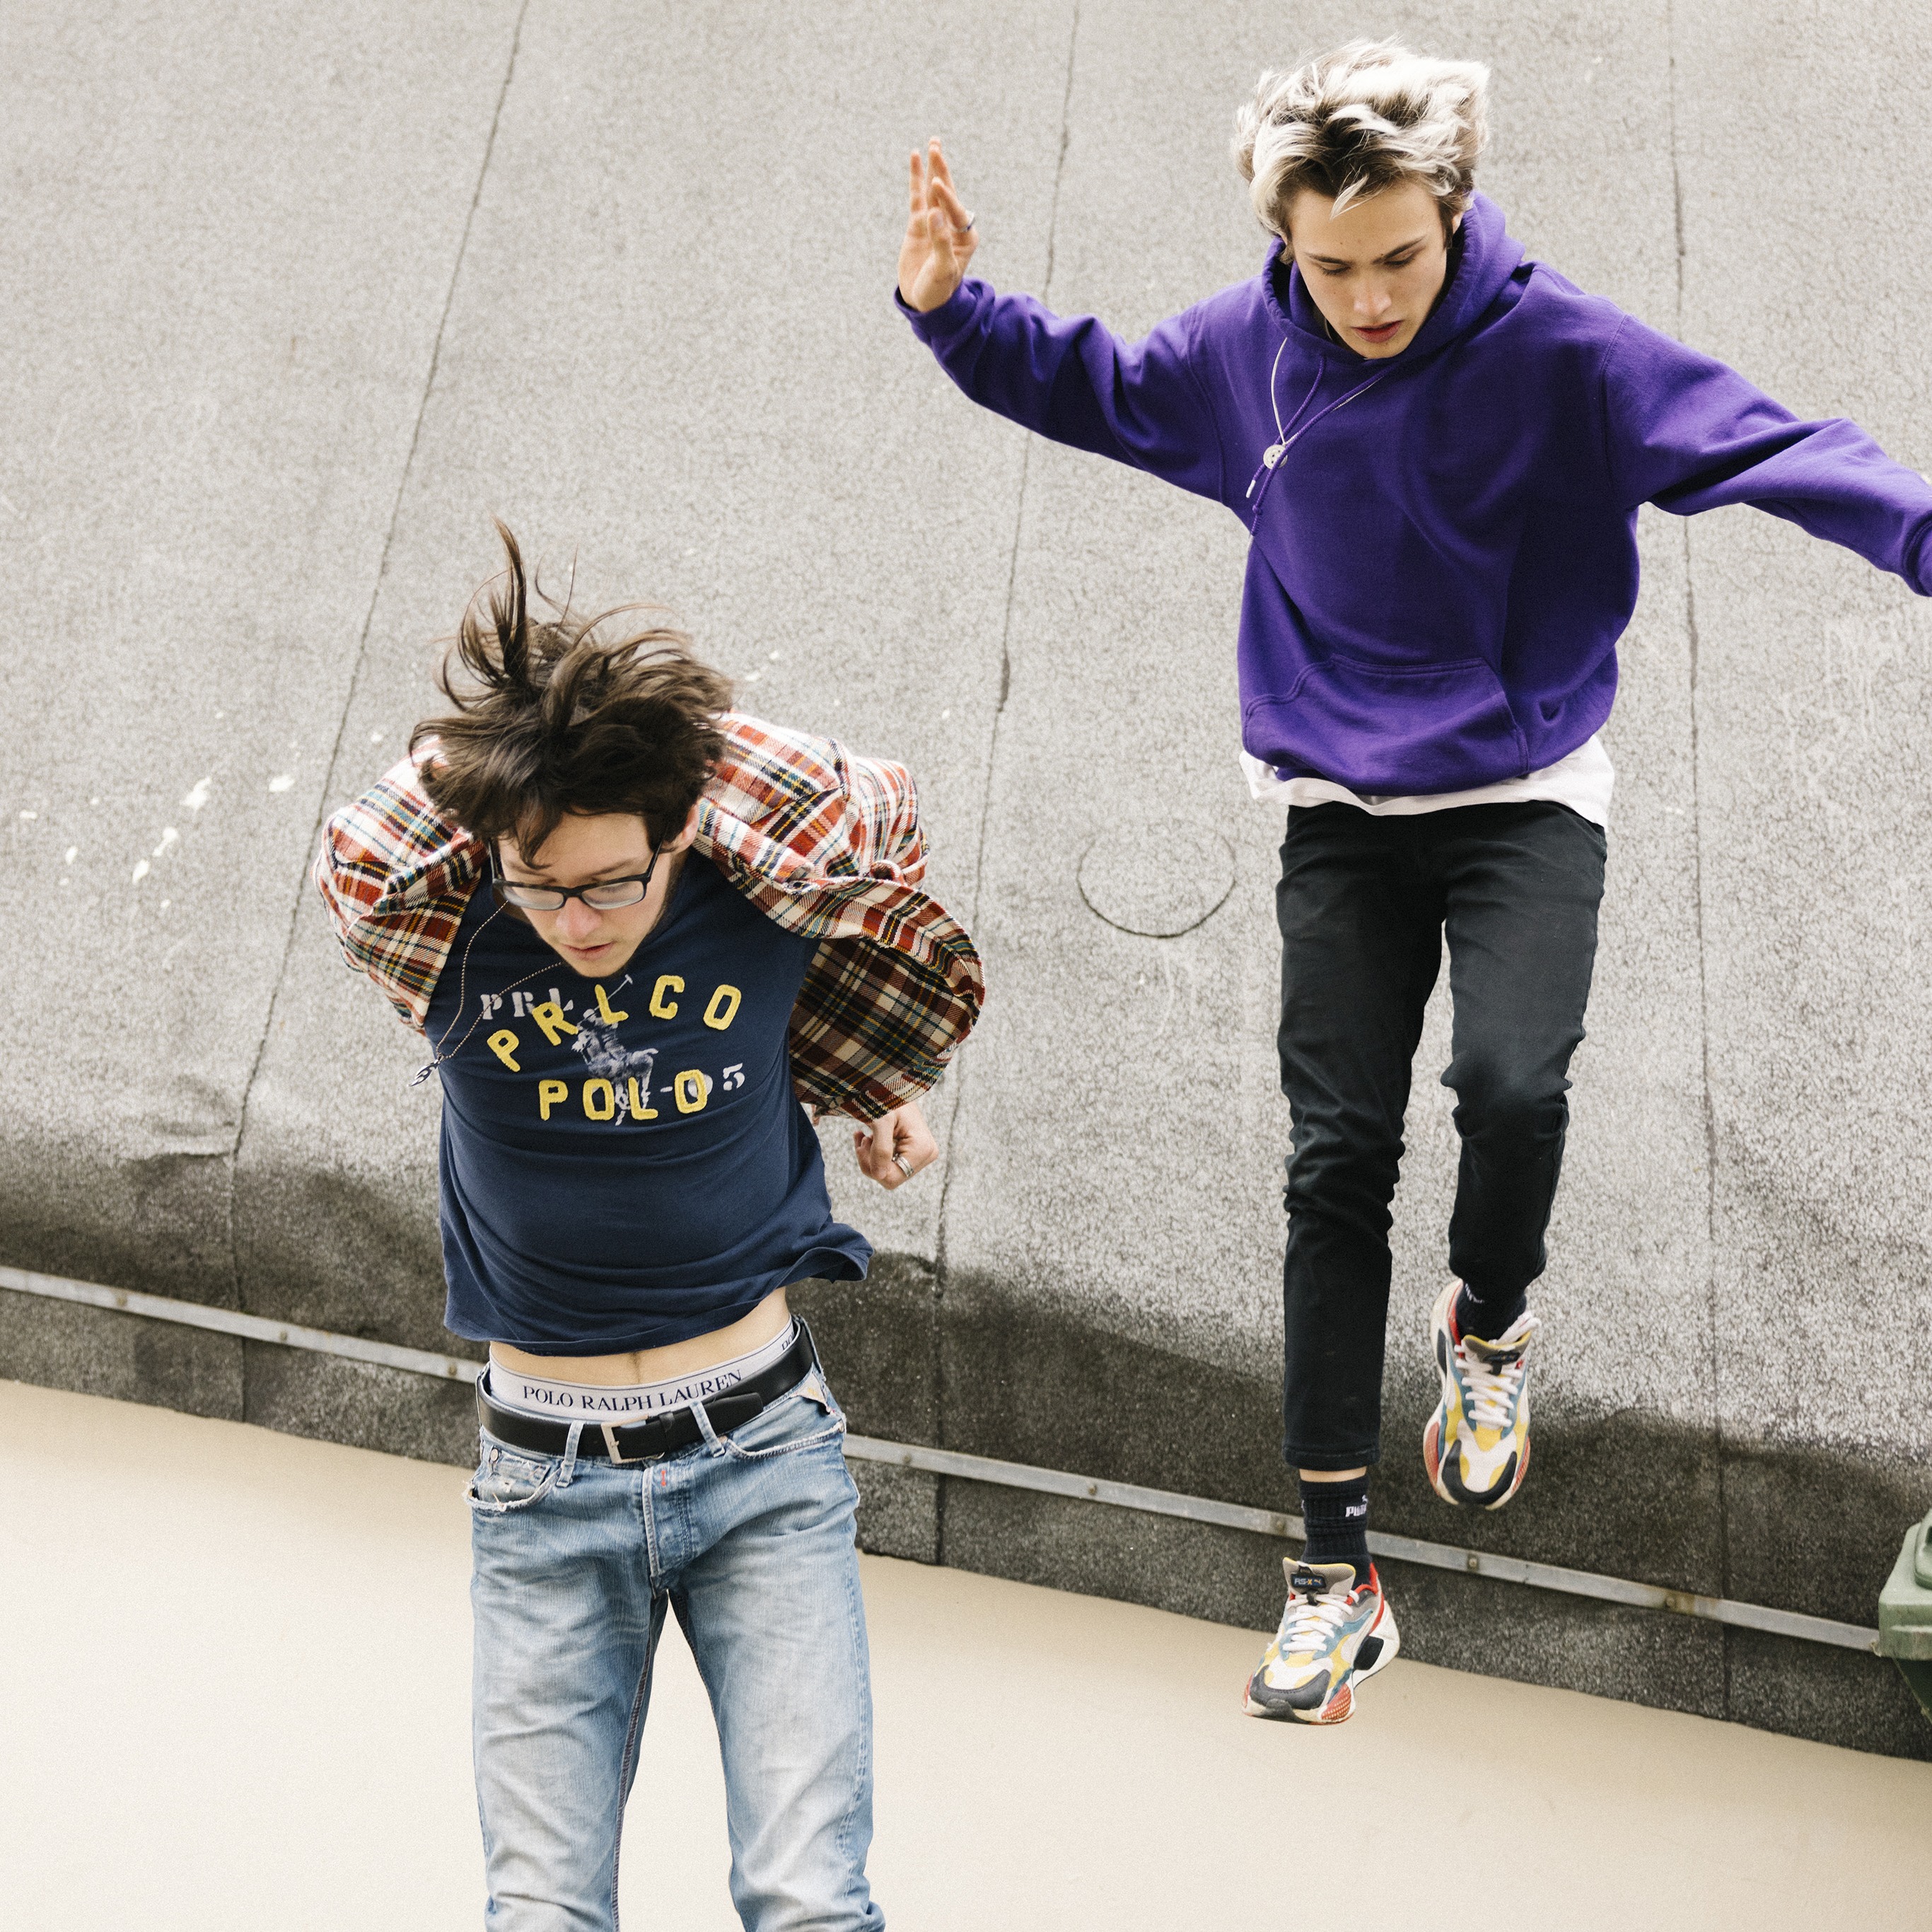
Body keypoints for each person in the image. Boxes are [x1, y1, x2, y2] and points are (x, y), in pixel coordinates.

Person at [894, 40, 1932, 1726]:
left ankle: (1491, 1326)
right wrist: (952, 309)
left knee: (1511, 1085)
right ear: (1284, 245)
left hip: (1523, 790)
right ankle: (1327, 1573)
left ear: (1451, 215)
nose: (1370, 296)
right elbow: (1092, 384)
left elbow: (1779, 446)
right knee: (1335, 1159)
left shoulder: (1568, 352)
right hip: (1336, 805)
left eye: (1400, 256)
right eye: (1333, 265)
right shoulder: (1248, 358)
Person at [313, 523, 983, 1926]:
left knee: (807, 1897)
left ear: (682, 829)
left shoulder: (750, 898)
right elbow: (361, 846)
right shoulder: (446, 935)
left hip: (762, 1463)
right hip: (541, 1484)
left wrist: (648, 730)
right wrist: (523, 749)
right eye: (543, 884)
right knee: (543, 1908)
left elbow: (880, 806)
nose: (576, 917)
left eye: (612, 879)